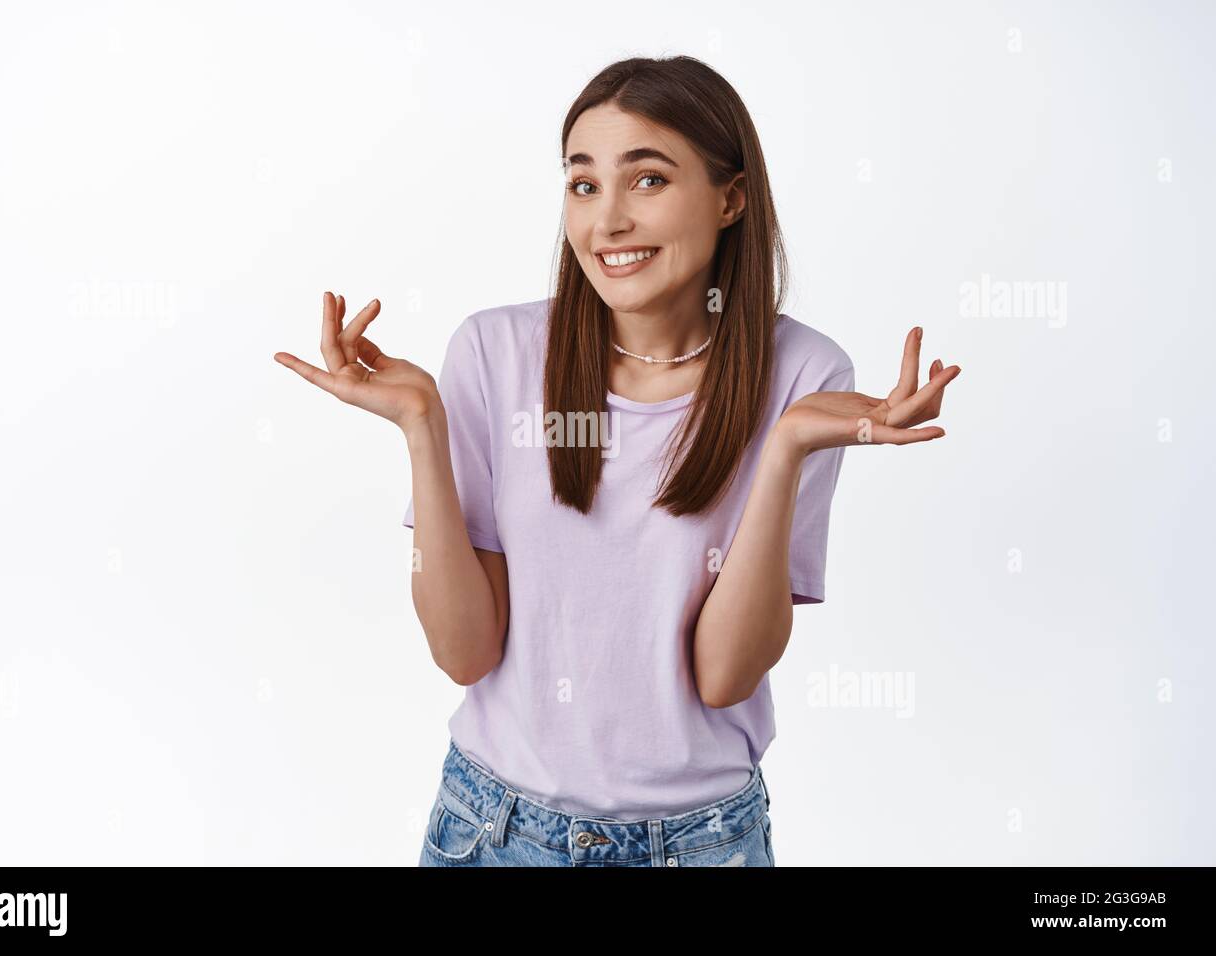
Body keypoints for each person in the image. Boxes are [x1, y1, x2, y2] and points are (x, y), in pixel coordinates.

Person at [274, 55, 960, 867]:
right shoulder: (495, 352)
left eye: (649, 181)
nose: (607, 223)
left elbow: (723, 676)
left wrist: (782, 452)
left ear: (731, 197)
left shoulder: (807, 378)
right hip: (493, 832)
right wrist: (422, 426)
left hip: (700, 843)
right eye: (584, 184)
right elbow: (465, 653)